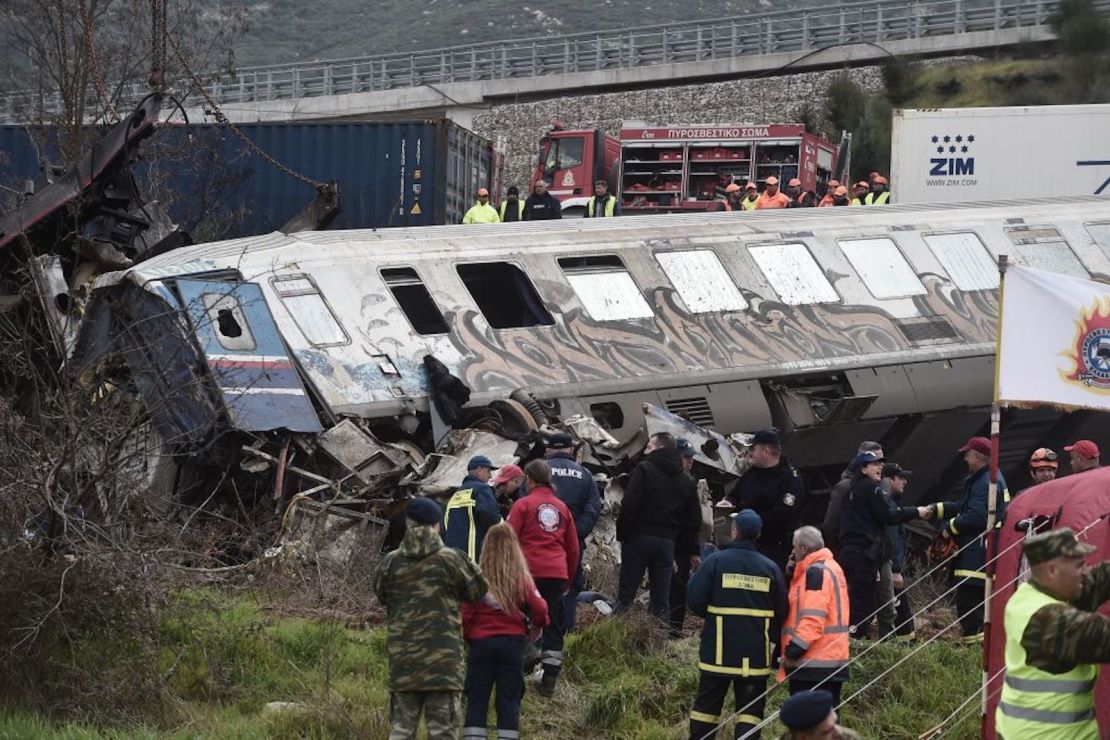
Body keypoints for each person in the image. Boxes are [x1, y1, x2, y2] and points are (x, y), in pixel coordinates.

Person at [373, 497, 488, 740]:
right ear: (437, 525)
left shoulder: (391, 562)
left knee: (401, 732)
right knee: (443, 733)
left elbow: (382, 596)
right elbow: (478, 591)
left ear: (408, 524)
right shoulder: (452, 560)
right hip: (444, 665)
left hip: (404, 663)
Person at [995, 528, 1110, 740]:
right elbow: (1101, 636)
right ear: (1052, 571)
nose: (1085, 571)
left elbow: (1097, 580)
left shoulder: (1037, 593)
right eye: (1079, 565)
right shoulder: (1048, 620)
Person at [686, 509, 787, 740]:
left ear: (734, 531)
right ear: (758, 534)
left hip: (718, 652)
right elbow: (781, 609)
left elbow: (694, 599)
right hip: (755, 657)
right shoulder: (770, 567)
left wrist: (714, 614)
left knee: (705, 710)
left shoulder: (715, 561)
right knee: (750, 714)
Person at [461, 523, 549, 740]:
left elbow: (463, 614)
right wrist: (538, 626)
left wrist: (468, 637)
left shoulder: (476, 579)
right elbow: (540, 608)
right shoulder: (521, 579)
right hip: (512, 645)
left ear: (486, 548)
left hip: (481, 645)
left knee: (477, 701)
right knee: (509, 700)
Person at [507, 459, 579, 697]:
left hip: (526, 573)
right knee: (553, 628)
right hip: (556, 575)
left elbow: (508, 540)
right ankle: (549, 680)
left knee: (515, 621)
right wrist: (566, 579)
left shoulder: (522, 505)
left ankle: (519, 672)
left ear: (529, 479)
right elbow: (573, 549)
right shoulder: (562, 508)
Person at [837, 451, 927, 637]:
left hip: (850, 552)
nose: (879, 467)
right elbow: (889, 516)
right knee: (864, 602)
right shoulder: (872, 488)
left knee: (856, 600)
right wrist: (916, 512)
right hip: (864, 554)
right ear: (863, 468)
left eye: (880, 464)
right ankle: (858, 642)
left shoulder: (850, 492)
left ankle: (855, 639)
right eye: (874, 464)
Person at [929, 436, 1009, 643]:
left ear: (977, 456)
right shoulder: (986, 478)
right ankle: (977, 646)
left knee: (968, 606)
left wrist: (949, 529)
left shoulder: (985, 482)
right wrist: (936, 510)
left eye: (967, 454)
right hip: (981, 551)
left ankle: (975, 648)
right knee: (975, 606)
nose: (964, 458)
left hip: (977, 554)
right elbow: (965, 507)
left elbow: (976, 516)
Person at [616, 432, 702, 620]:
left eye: (649, 446)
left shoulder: (645, 469)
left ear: (660, 448)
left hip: (638, 539)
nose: (645, 450)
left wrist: (623, 534)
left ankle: (616, 636)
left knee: (626, 595)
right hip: (666, 544)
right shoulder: (687, 481)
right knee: (661, 600)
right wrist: (681, 547)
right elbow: (693, 519)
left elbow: (630, 504)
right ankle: (657, 642)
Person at [778, 526, 850, 707]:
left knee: (808, 725)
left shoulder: (815, 573)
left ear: (803, 549)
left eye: (794, 547)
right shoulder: (831, 567)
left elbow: (812, 619)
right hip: (830, 660)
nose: (792, 552)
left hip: (813, 663)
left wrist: (793, 652)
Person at [543, 432, 602, 633]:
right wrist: (575, 533)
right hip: (572, 544)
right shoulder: (584, 474)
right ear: (570, 450)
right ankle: (565, 633)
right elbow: (593, 508)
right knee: (569, 587)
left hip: (541, 542)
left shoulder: (536, 473)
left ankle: (540, 634)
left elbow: (525, 503)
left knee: (538, 584)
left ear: (549, 450)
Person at [727, 430, 806, 571]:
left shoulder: (789, 479)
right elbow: (737, 493)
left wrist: (750, 521)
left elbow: (783, 515)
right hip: (749, 543)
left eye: (753, 449)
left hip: (776, 545)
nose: (750, 453)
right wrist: (729, 502)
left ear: (765, 451)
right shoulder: (752, 473)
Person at [822, 441, 883, 551]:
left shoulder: (881, 485)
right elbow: (831, 525)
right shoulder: (845, 488)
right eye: (876, 462)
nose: (881, 465)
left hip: (877, 553)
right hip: (855, 552)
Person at [669, 437, 701, 638]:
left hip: (681, 545)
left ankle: (674, 630)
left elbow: (693, 522)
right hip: (667, 541)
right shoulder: (670, 481)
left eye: (691, 457)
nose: (690, 461)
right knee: (668, 588)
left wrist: (693, 551)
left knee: (679, 588)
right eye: (686, 457)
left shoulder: (689, 482)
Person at [444, 455, 503, 562]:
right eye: (488, 471)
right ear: (479, 470)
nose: (490, 476)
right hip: (473, 557)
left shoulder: (455, 494)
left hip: (453, 558)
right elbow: (491, 517)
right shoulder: (481, 489)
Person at [882, 463, 917, 639]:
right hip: (890, 568)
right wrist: (895, 569)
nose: (905, 482)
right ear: (889, 480)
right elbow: (892, 540)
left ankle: (905, 638)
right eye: (900, 478)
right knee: (894, 607)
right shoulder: (888, 506)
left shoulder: (893, 503)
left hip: (892, 567)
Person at [778, 689, 863, 740]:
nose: (839, 732)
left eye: (835, 722)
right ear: (803, 738)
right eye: (828, 731)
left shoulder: (848, 737)